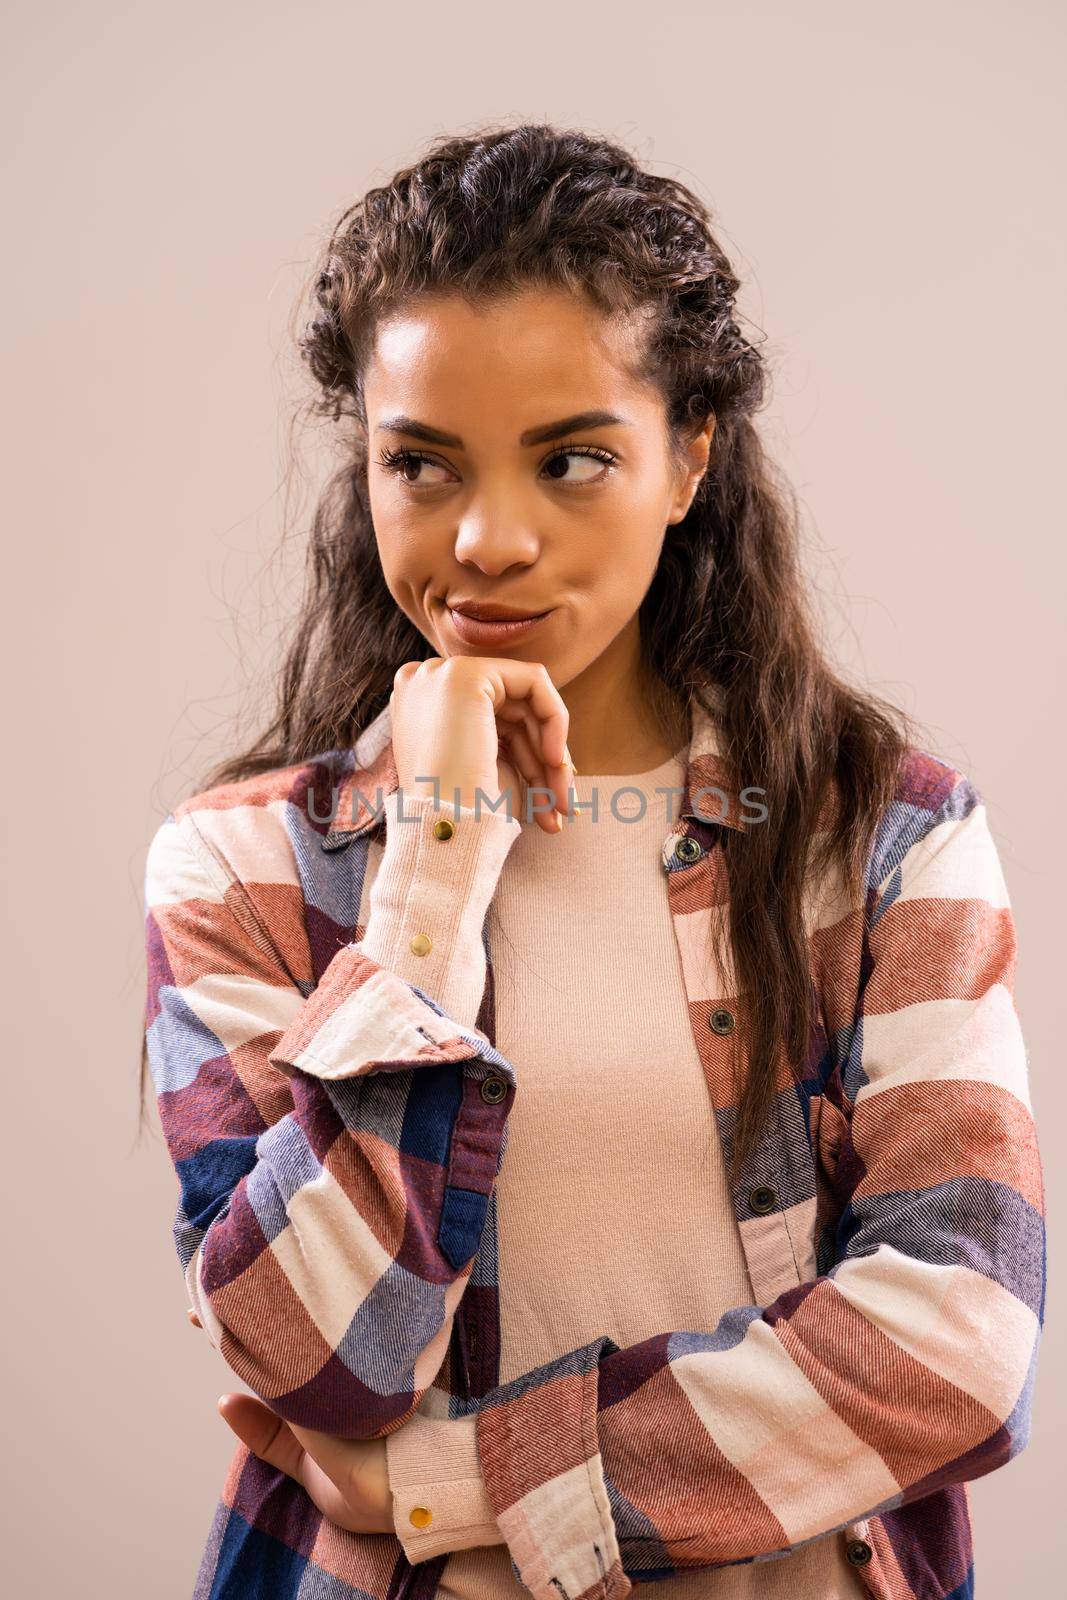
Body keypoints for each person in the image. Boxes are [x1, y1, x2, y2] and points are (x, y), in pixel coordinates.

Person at [141, 122, 1045, 1600]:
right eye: (421, 465)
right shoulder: (247, 868)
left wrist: (448, 1480)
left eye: (571, 461)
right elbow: (315, 1358)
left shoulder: (878, 839)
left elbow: (959, 1348)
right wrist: (432, 869)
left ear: (688, 456)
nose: (489, 540)